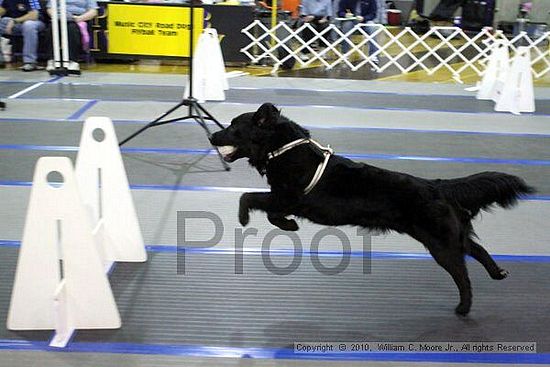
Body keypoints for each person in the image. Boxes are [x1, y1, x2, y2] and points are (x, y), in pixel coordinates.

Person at [45, 0, 97, 73]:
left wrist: (79, 18)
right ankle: (52, 60)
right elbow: (49, 8)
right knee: (53, 28)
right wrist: (55, 16)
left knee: (72, 29)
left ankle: (73, 61)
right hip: (59, 16)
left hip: (78, 18)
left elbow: (93, 11)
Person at [0, 0, 45, 71]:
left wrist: (15, 21)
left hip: (35, 22)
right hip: (15, 24)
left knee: (28, 25)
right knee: (4, 20)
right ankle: (1, 58)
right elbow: (2, 10)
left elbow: (34, 15)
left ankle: (30, 62)